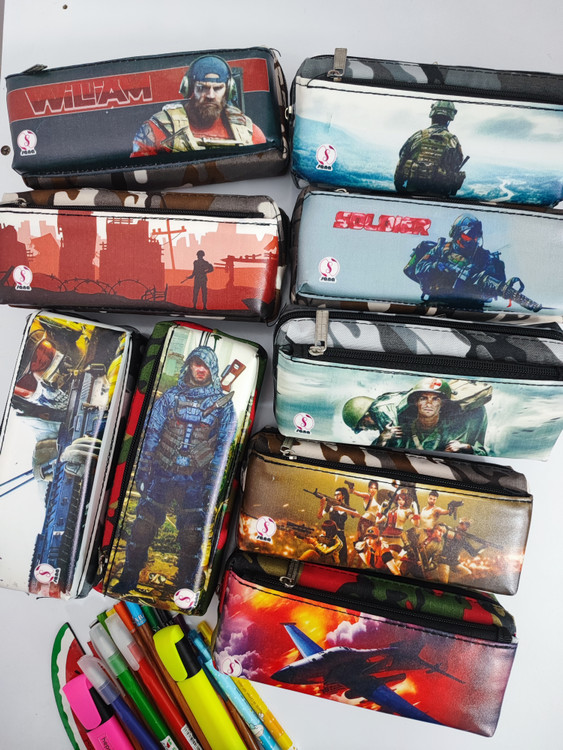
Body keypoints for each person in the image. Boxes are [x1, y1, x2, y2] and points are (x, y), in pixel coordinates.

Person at [113, 345, 237, 594]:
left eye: (205, 365)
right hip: (163, 473)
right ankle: (129, 577)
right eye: (196, 363)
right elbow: (152, 433)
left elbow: (224, 447)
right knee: (142, 528)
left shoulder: (223, 406)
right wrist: (144, 469)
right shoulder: (170, 398)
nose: (200, 369)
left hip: (195, 480)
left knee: (192, 537)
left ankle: (185, 586)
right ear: (189, 365)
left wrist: (213, 484)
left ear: (212, 369)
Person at [130, 55, 266, 157]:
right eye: (202, 88)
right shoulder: (158, 129)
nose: (210, 95)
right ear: (189, 88)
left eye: (218, 88)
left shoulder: (248, 132)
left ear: (228, 90)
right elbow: (140, 175)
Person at [342, 377, 488, 455]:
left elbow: (389, 450)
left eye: (364, 425)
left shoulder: (381, 411)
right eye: (423, 399)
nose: (368, 429)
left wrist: (466, 448)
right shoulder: (392, 407)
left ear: (366, 416)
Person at [403, 214, 510, 311]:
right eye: (467, 236)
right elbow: (419, 268)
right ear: (456, 233)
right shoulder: (441, 249)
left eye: (475, 237)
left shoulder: (484, 257)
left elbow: (494, 286)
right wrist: (435, 266)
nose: (471, 241)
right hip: (437, 303)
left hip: (470, 309)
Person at [394, 99, 466, 196]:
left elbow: (402, 160)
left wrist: (399, 186)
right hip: (439, 195)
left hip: (412, 192)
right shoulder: (453, 141)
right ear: (449, 119)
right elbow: (456, 165)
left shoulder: (417, 136)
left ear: (432, 115)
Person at [435, 518, 485, 584]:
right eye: (466, 524)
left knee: (468, 574)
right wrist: (454, 535)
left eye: (468, 525)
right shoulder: (449, 530)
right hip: (444, 560)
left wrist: (483, 547)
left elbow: (473, 553)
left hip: (454, 562)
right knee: (444, 582)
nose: (467, 527)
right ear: (460, 524)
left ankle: (454, 582)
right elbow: (440, 528)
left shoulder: (463, 540)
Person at [316, 486, 355, 566]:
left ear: (343, 496)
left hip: (341, 534)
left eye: (338, 494)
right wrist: (322, 505)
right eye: (335, 495)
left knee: (342, 559)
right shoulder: (330, 505)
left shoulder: (345, 507)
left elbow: (354, 514)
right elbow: (319, 516)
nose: (336, 496)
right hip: (331, 534)